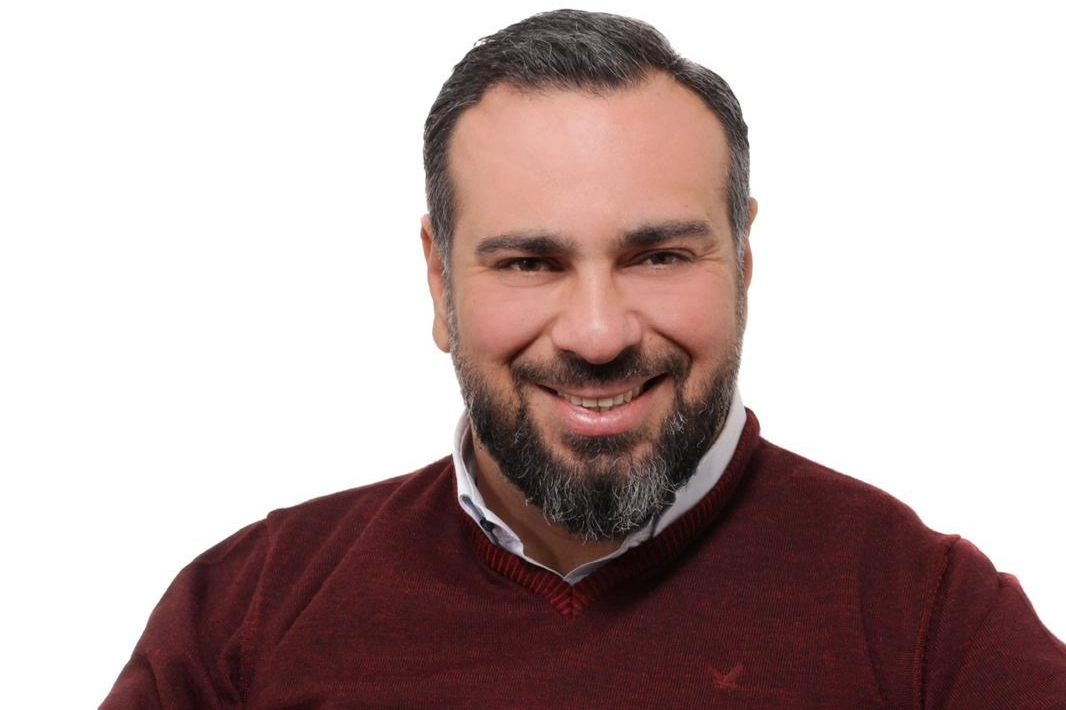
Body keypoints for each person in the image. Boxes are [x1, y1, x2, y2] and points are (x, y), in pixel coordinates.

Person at [101, 9, 1065, 708]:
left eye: (659, 256)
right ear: (439, 280)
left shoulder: (931, 621)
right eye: (530, 262)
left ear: (744, 260)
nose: (598, 335)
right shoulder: (243, 615)